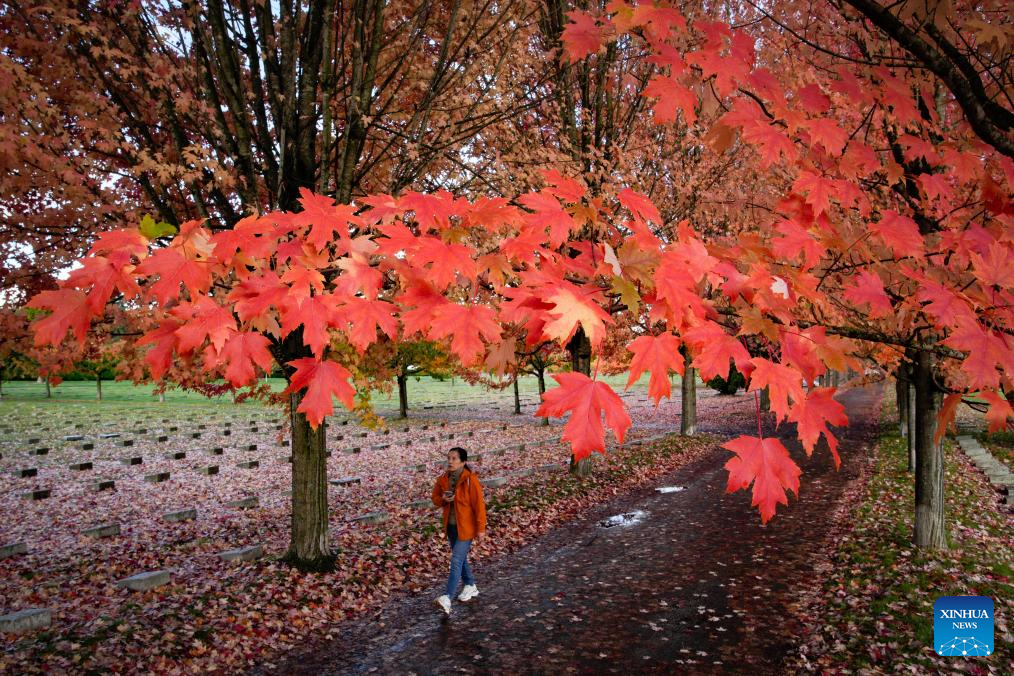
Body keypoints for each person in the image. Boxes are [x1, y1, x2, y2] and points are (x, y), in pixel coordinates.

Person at [431, 446, 486, 616]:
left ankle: (447, 597)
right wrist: (444, 499)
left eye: (454, 458)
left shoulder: (470, 480)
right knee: (460, 559)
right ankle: (470, 585)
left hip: (467, 527)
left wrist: (481, 529)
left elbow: (479, 505)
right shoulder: (443, 479)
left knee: (456, 560)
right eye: (448, 458)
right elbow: (435, 499)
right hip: (451, 527)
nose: (450, 461)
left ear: (463, 462)